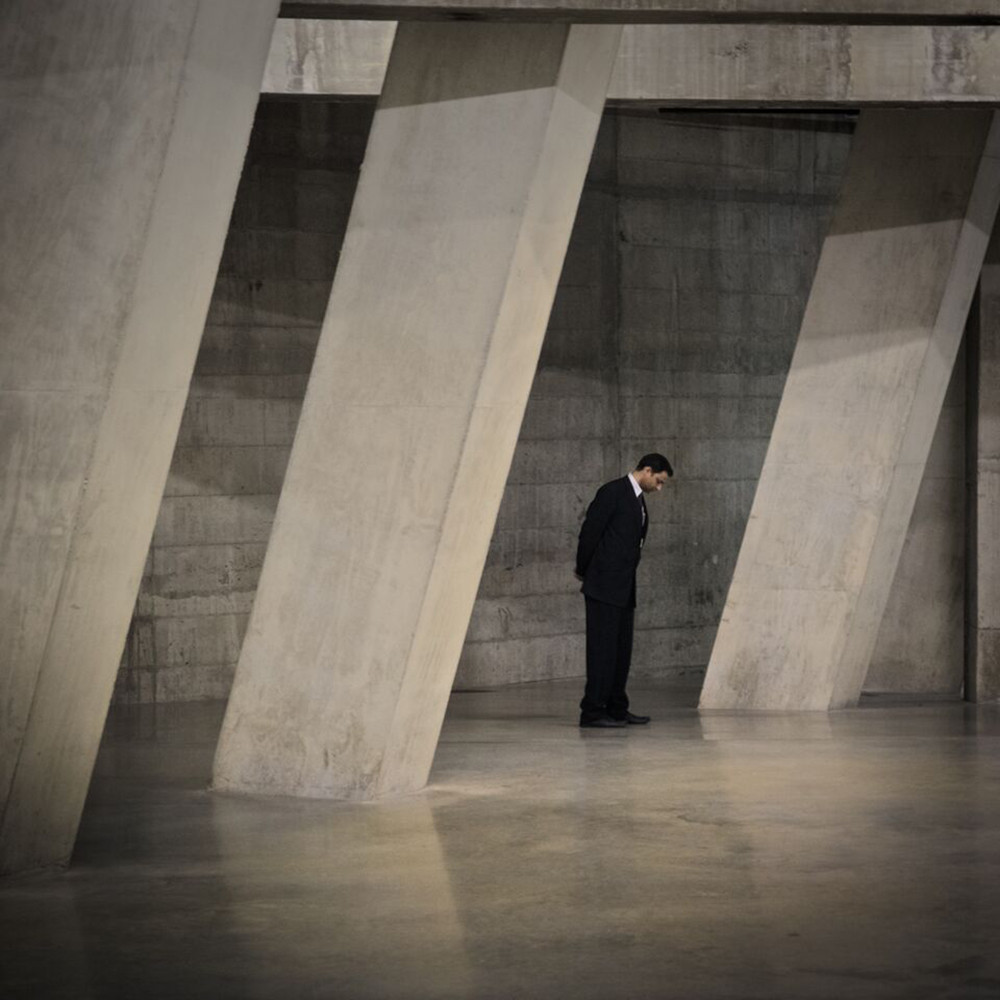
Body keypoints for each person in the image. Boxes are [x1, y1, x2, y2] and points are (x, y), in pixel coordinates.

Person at [575, 453, 673, 728]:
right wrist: (584, 570)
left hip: (623, 587)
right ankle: (592, 711)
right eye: (659, 481)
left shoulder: (638, 499)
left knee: (621, 651)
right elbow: (590, 532)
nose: (660, 488)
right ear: (647, 469)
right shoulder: (613, 492)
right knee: (602, 651)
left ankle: (617, 707)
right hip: (603, 585)